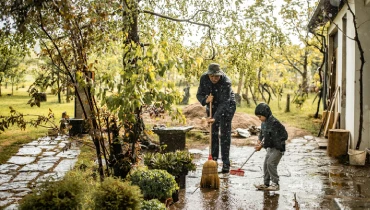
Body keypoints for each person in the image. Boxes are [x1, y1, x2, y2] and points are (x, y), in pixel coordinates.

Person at [196, 63, 236, 173]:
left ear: (220, 74)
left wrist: (215, 117)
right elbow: (199, 94)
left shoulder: (226, 82)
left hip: (227, 106)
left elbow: (224, 103)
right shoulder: (204, 78)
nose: (214, 78)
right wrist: (205, 100)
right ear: (208, 75)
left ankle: (226, 163)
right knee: (213, 133)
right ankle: (213, 161)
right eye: (212, 76)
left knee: (224, 134)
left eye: (216, 76)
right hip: (212, 105)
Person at [254, 102, 288, 191]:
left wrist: (261, 146)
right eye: (258, 117)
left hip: (278, 147)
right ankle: (266, 183)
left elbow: (270, 139)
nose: (259, 119)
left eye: (260, 116)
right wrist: (259, 141)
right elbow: (262, 134)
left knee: (271, 163)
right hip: (270, 147)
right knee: (266, 164)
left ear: (266, 114)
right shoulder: (264, 122)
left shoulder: (274, 123)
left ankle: (275, 183)